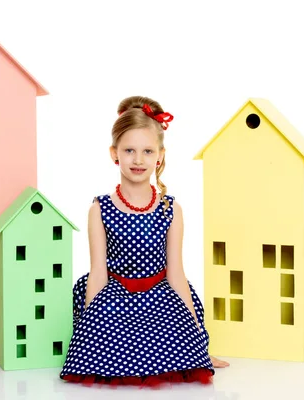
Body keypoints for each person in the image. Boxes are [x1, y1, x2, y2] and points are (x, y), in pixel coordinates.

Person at [59, 95, 229, 387]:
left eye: (148, 151)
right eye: (129, 150)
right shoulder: (99, 208)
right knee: (104, 326)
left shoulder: (170, 209)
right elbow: (98, 273)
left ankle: (188, 350)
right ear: (114, 153)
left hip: (159, 295)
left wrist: (199, 343)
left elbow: (176, 274)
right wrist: (86, 334)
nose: (138, 160)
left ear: (160, 155)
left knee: (174, 320)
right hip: (115, 294)